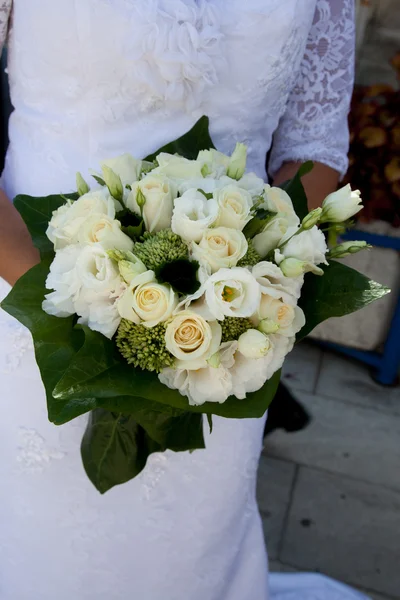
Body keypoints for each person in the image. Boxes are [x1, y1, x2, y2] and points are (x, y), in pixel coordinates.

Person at [0, 1, 370, 599]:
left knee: (188, 536)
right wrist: (76, 299)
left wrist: (245, 287)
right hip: (30, 294)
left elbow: (314, 142)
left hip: (225, 326)